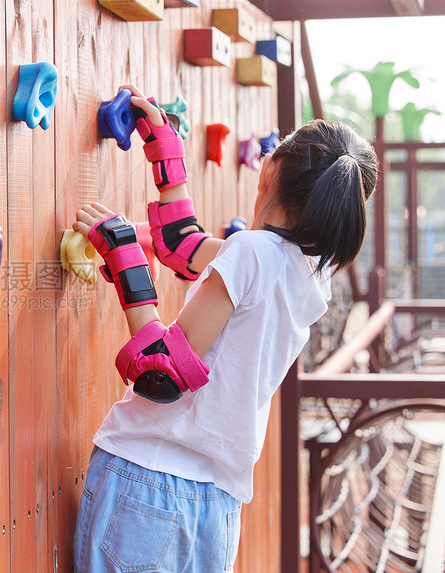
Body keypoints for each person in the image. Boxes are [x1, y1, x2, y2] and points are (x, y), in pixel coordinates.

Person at [71, 85, 378, 572]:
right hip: (217, 507)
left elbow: (162, 373)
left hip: (150, 480)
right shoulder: (307, 274)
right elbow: (180, 245)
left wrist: (126, 257)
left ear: (271, 168)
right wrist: (165, 150)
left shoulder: (253, 254)